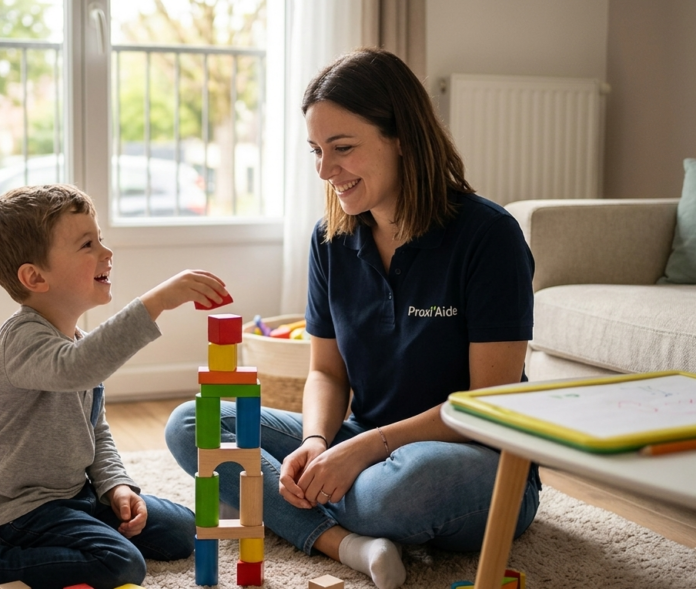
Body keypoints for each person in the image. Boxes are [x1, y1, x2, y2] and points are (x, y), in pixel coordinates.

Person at [165, 48, 541, 589]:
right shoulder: (330, 240)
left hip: (472, 460)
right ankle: (348, 543)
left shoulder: (489, 237)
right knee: (193, 424)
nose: (324, 170)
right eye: (316, 150)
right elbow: (327, 372)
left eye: (342, 148)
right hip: (362, 440)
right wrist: (318, 441)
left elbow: (488, 405)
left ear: (403, 138)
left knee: (396, 490)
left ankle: (327, 516)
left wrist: (363, 449)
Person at [0, 184, 231, 589]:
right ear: (35, 277)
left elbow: (95, 428)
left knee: (184, 530)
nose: (106, 253)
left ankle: (79, 532)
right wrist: (157, 301)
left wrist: (115, 485)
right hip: (17, 512)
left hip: (74, 496)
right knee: (122, 564)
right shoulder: (21, 340)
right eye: (88, 244)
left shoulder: (75, 341)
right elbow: (78, 368)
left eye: (101, 239)